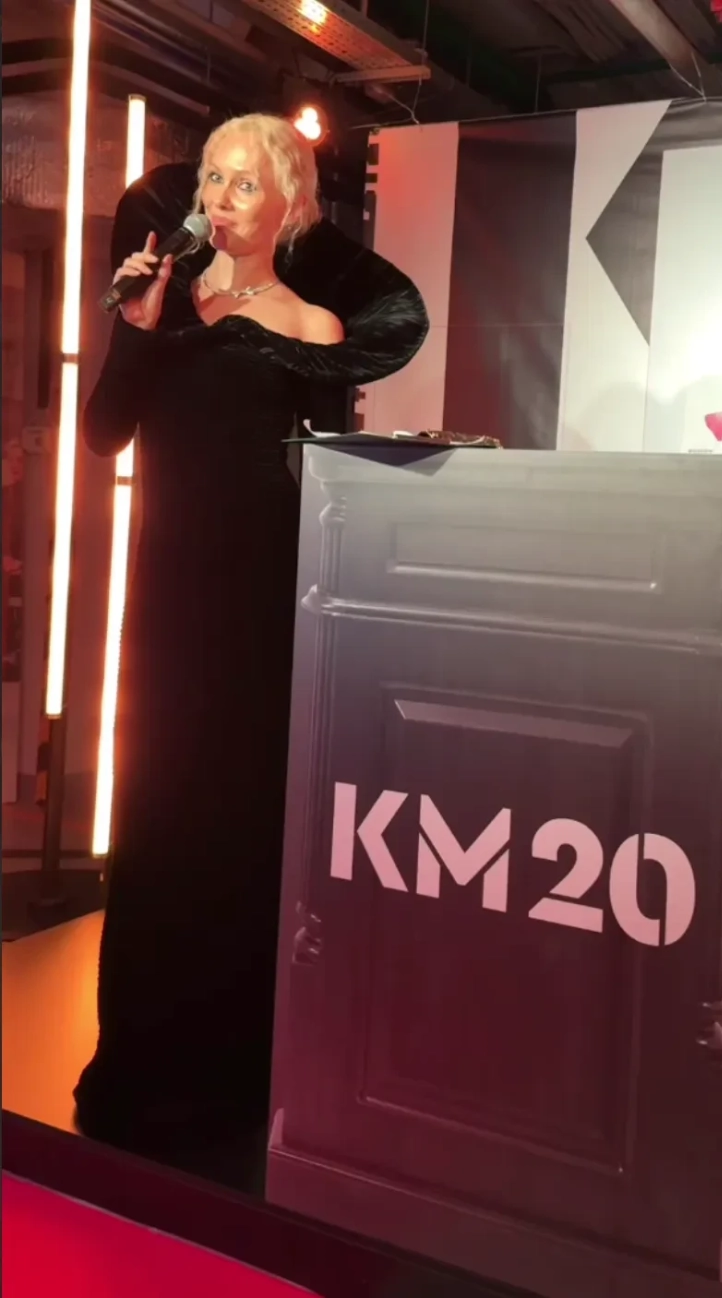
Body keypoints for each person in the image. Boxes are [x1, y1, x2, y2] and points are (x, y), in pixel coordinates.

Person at [74, 114, 428, 1152]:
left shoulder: (317, 323)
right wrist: (136, 325)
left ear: (289, 205)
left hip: (264, 603)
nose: (218, 201)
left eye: (241, 185)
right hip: (166, 601)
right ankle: (142, 1061)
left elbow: (327, 478)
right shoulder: (166, 301)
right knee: (158, 813)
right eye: (212, 181)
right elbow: (102, 433)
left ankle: (232, 1070)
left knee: (241, 820)